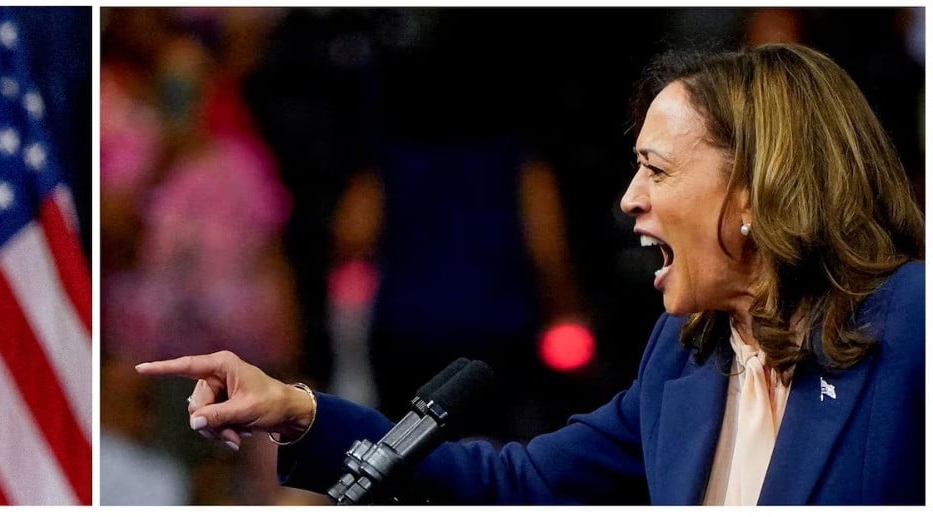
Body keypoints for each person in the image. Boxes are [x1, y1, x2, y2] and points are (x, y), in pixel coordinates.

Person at [137, 43, 924, 505]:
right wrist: (299, 410)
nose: (629, 200)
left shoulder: (910, 325)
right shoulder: (685, 358)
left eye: (655, 169)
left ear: (755, 189)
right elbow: (513, 481)